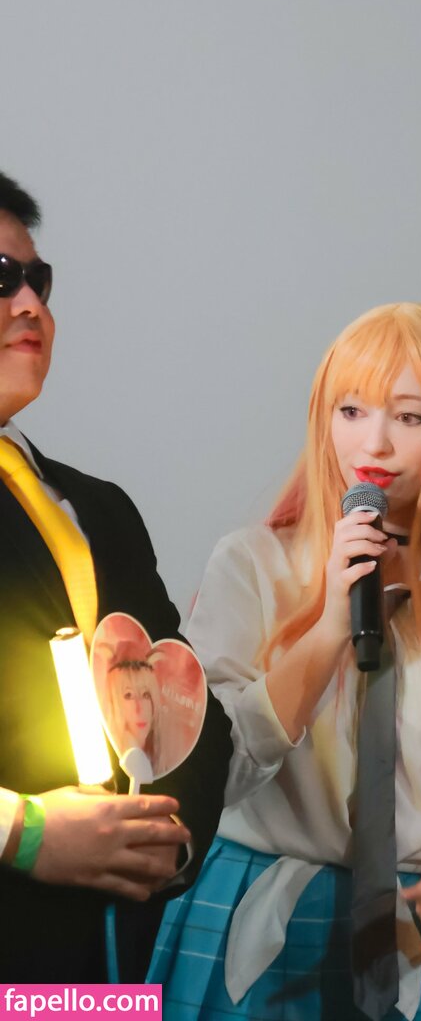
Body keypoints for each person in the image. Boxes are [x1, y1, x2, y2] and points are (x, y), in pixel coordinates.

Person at [150, 302, 421, 1020]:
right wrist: (328, 627)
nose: (373, 442)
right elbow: (209, 772)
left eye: (411, 417)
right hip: (255, 920)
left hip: (416, 938)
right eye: (350, 411)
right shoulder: (253, 564)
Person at [0, 170, 232, 982]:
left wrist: (166, 843)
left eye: (38, 280)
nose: (29, 305)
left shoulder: (99, 507)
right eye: (0, 280)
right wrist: (21, 831)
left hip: (104, 969)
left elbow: (193, 709)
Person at [105, 653, 165, 778]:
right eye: (128, 695)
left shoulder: (159, 756)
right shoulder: (109, 762)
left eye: (145, 695)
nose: (139, 708)